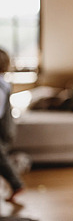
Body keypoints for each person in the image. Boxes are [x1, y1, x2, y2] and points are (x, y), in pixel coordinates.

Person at [0, 48, 24, 202]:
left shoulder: (1, 85)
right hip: (5, 128)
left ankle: (17, 184)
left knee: (0, 157)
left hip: (3, 129)